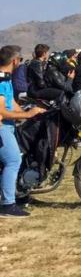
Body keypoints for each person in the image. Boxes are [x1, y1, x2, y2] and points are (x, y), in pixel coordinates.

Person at [0, 45, 46, 217]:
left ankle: (18, 194)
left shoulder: (6, 79)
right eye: (19, 59)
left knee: (18, 157)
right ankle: (7, 205)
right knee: (12, 161)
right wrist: (27, 115)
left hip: (8, 126)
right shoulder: (0, 80)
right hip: (2, 127)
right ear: (14, 60)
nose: (20, 62)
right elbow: (2, 111)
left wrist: (30, 113)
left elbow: (11, 103)